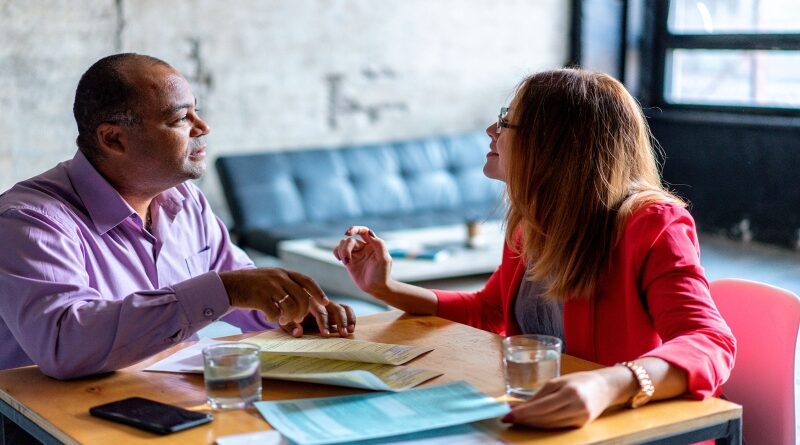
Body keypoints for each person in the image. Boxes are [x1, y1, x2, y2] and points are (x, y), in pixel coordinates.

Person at [333, 69, 735, 428]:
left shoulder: (651, 223)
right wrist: (385, 288)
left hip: (627, 428)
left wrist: (607, 383)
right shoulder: (534, 221)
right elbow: (488, 311)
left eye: (507, 121)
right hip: (543, 421)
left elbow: (709, 341)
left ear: (555, 143)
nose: (492, 129)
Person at [0, 53, 355, 380]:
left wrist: (292, 309)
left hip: (164, 395)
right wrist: (226, 290)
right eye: (181, 118)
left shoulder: (185, 201)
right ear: (113, 139)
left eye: (196, 112)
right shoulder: (29, 221)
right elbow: (65, 344)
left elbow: (242, 284)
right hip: (49, 421)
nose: (202, 127)